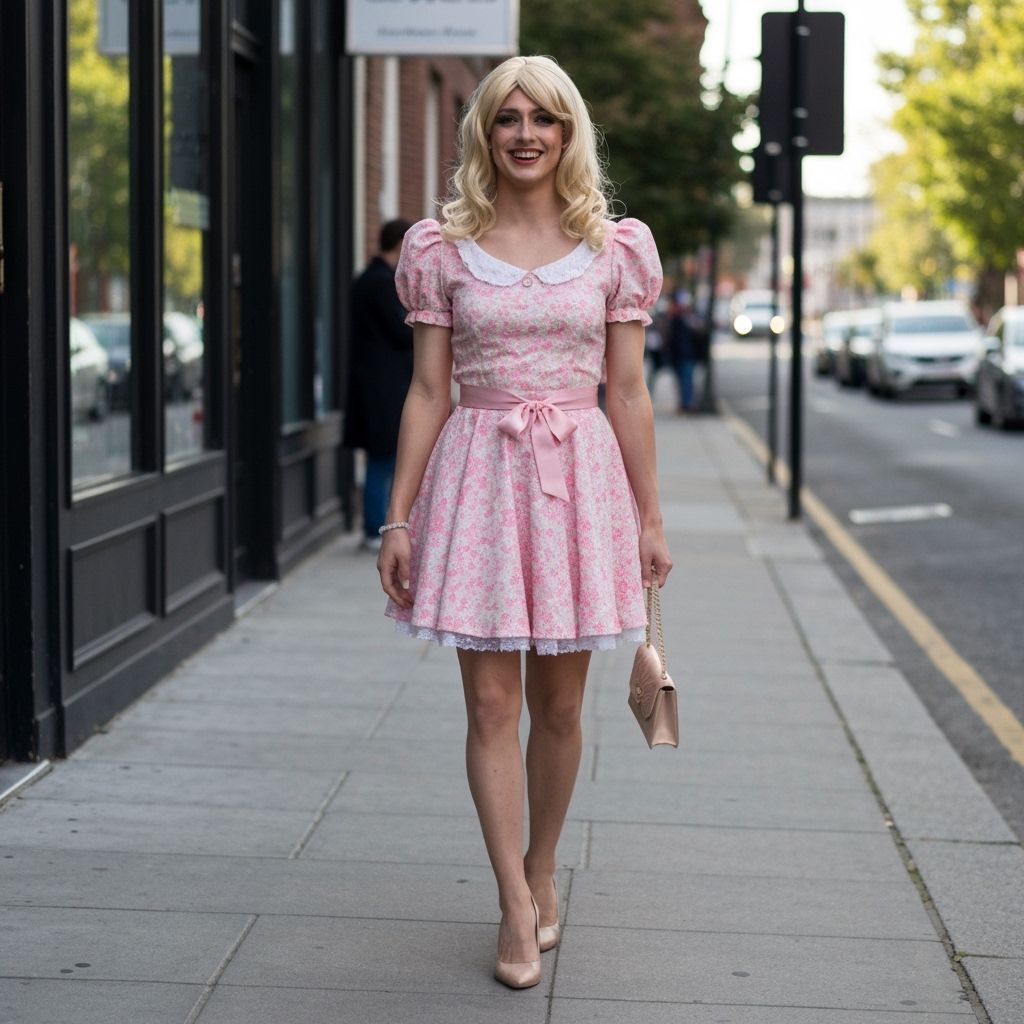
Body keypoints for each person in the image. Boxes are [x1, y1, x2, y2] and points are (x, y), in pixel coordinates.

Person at [375, 56, 672, 990]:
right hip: (478, 480)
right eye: (508, 119)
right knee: (491, 704)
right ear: (484, 135)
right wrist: (396, 517)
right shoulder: (441, 247)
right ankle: (512, 896)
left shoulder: (616, 247)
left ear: (570, 131)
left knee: (559, 706)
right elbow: (428, 390)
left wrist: (650, 516)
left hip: (580, 481)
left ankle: (546, 864)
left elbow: (626, 391)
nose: (527, 134)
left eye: (545, 118)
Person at [343, 218, 414, 551]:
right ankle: (374, 529)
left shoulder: (367, 279)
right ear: (401, 243)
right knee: (383, 459)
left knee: (381, 458)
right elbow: (402, 331)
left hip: (374, 385)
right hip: (381, 389)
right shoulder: (381, 282)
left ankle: (374, 526)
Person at [669, 294, 701, 412]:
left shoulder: (687, 318)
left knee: (687, 380)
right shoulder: (677, 318)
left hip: (686, 355)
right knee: (684, 381)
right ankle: (686, 403)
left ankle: (688, 403)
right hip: (681, 355)